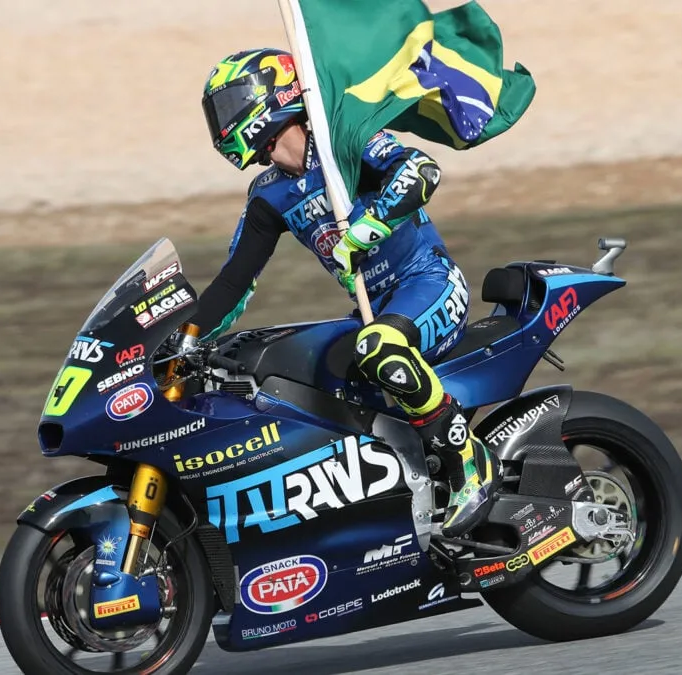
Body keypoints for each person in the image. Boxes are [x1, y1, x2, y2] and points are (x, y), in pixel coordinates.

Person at [182, 47, 499, 537]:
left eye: (226, 107)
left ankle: (467, 458)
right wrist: (182, 337)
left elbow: (421, 170)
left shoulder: (343, 142)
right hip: (372, 310)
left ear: (270, 97)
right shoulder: (268, 194)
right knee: (304, 367)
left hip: (428, 283)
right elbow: (232, 282)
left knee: (378, 348)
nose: (220, 124)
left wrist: (367, 228)